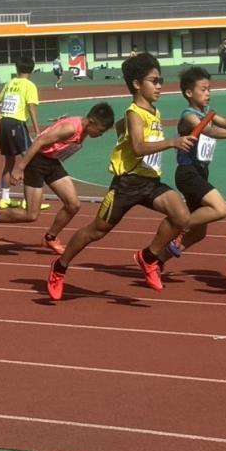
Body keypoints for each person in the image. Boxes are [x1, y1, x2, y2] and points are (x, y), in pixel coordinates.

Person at [45, 53, 195, 300]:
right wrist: (173, 142)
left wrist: (122, 137)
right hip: (127, 185)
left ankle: (148, 257)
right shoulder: (134, 113)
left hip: (150, 182)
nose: (159, 86)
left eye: (160, 80)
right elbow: (138, 147)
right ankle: (59, 267)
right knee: (96, 231)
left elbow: (121, 128)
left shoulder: (152, 111)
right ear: (137, 84)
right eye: (154, 81)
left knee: (181, 216)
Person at [0, 102, 115, 252]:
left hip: (52, 162)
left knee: (73, 205)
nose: (100, 135)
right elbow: (39, 142)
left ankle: (50, 237)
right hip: (36, 162)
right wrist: (20, 169)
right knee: (31, 215)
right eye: (100, 131)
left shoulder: (83, 128)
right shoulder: (70, 128)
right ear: (92, 122)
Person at [163, 68, 226, 263]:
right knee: (220, 209)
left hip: (200, 173)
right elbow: (210, 131)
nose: (208, 93)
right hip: (187, 173)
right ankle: (180, 227)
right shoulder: (188, 116)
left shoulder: (207, 112)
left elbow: (224, 122)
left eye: (209, 89)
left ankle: (157, 259)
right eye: (203, 89)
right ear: (189, 93)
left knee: (199, 233)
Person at [0, 56, 42, 210]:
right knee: (29, 160)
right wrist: (37, 130)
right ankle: (28, 200)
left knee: (9, 162)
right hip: (16, 123)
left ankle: (5, 198)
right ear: (32, 70)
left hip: (4, 123)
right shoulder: (29, 85)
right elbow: (31, 107)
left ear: (17, 69)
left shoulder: (10, 83)